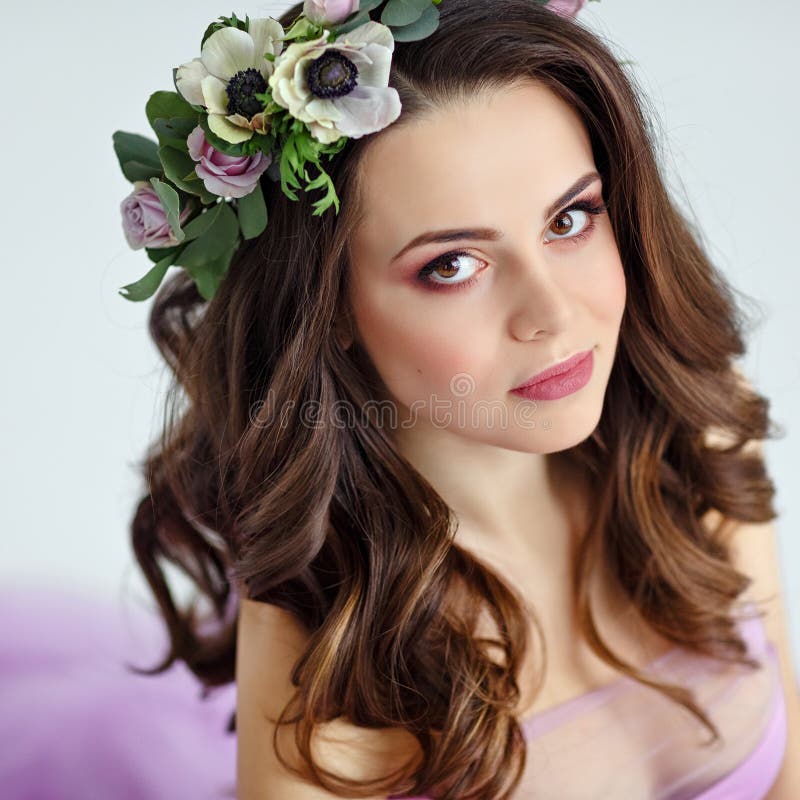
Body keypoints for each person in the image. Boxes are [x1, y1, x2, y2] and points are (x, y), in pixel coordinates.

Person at [8, 1, 793, 798]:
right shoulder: (327, 640)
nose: (553, 315)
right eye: (452, 265)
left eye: (571, 218)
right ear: (334, 310)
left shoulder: (698, 438)